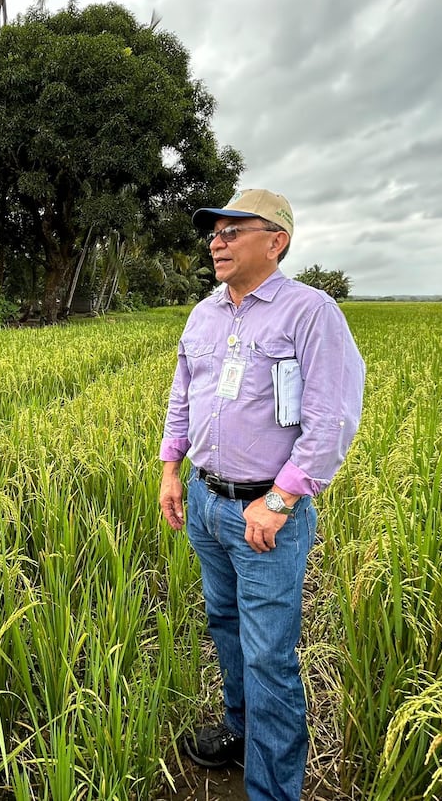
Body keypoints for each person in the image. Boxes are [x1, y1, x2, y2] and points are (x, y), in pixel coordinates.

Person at [159, 189, 365, 801]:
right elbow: (182, 397)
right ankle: (239, 730)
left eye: (232, 230)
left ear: (276, 241)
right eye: (213, 232)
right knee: (225, 625)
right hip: (205, 501)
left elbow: (331, 419)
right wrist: (172, 469)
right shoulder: (204, 315)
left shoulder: (310, 313)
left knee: (270, 655)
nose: (216, 241)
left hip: (264, 516)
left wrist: (279, 501)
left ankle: (272, 789)